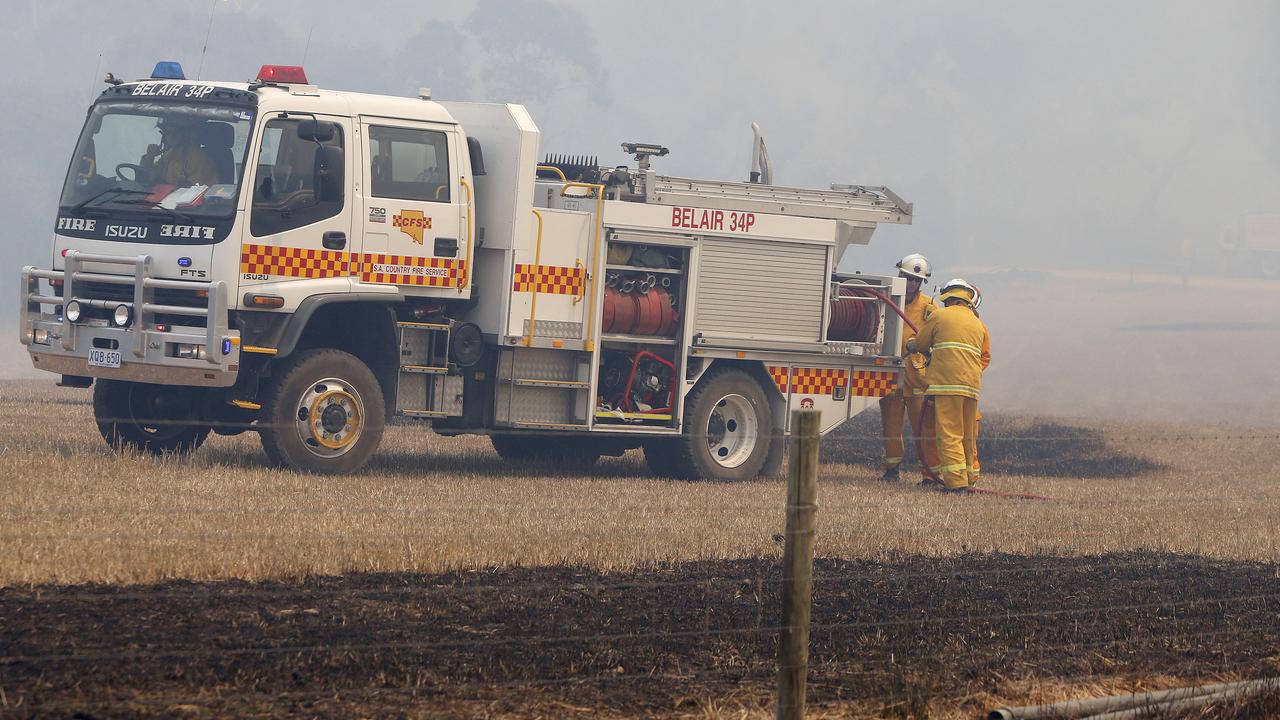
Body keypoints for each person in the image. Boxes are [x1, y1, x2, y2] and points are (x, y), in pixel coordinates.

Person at [908, 278, 990, 493]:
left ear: (948, 299)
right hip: (971, 385)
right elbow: (983, 355)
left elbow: (922, 343)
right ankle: (970, 479)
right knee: (966, 434)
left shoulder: (939, 315)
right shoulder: (977, 322)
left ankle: (956, 484)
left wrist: (912, 344)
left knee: (949, 433)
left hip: (947, 384)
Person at [879, 253, 940, 483]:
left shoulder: (930, 308)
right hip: (891, 373)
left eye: (916, 280)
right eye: (908, 278)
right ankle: (892, 470)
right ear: (900, 276)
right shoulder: (888, 299)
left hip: (917, 377)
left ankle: (929, 475)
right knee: (891, 427)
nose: (912, 283)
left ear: (922, 282)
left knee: (924, 429)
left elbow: (937, 336)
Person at [140, 117, 217, 188]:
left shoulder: (199, 158)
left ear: (186, 133)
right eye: (168, 132)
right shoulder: (170, 154)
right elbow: (150, 176)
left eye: (176, 131)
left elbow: (195, 192)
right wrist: (149, 157)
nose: (171, 136)